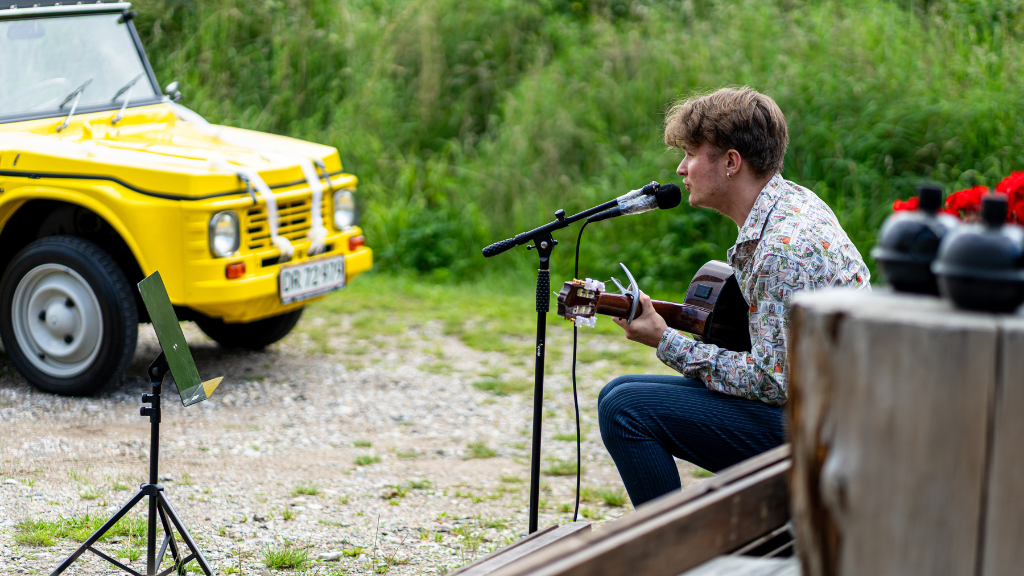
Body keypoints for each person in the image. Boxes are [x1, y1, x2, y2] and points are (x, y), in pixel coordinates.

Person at [598, 87, 870, 507]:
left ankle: (670, 543)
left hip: (830, 441)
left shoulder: (783, 247)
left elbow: (771, 381)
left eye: (691, 153)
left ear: (730, 163)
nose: (681, 168)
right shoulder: (791, 203)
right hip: (828, 416)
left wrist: (665, 341)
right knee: (617, 392)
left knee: (625, 407)